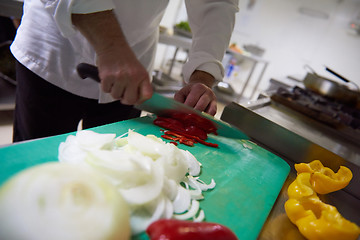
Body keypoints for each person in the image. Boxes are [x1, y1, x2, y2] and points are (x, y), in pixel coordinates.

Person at [10, 0, 239, 142]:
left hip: (134, 70)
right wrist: (111, 47)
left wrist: (203, 74)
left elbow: (217, 3)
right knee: (37, 166)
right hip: (54, 52)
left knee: (113, 165)